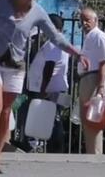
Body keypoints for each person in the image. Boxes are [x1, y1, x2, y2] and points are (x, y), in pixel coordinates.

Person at [0, 0, 90, 174]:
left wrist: (76, 53)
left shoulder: (37, 12)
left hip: (15, 66)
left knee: (6, 110)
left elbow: (56, 37)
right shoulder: (0, 3)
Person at [26, 14, 69, 153]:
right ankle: (50, 147)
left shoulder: (54, 43)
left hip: (49, 89)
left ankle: (52, 148)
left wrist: (43, 89)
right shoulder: (59, 42)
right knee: (53, 118)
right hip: (53, 87)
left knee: (52, 119)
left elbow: (49, 67)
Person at [78, 7, 105, 154]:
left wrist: (101, 86)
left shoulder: (99, 36)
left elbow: (103, 61)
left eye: (87, 20)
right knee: (87, 119)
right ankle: (91, 152)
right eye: (82, 21)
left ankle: (95, 155)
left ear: (95, 20)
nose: (84, 23)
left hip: (94, 79)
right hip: (87, 78)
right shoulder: (89, 37)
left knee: (94, 119)